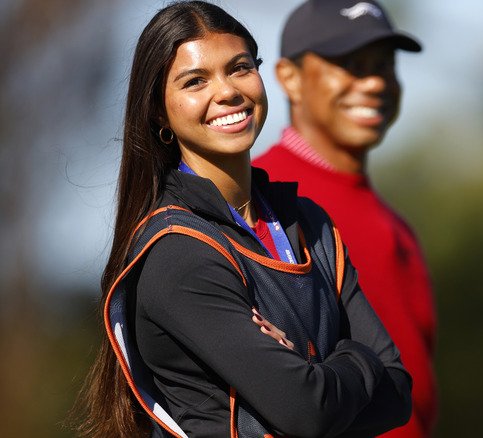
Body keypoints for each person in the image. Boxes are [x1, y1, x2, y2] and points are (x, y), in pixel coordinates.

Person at [73, 2, 411, 437]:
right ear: (159, 111)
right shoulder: (178, 253)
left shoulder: (308, 222)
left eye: (239, 68)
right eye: (195, 81)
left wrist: (316, 375)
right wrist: (357, 358)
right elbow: (307, 411)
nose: (227, 91)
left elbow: (398, 392)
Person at [251, 1, 436, 437]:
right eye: (350, 64)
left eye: (384, 65)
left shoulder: (395, 223)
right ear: (289, 78)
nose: (373, 81)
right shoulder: (258, 199)